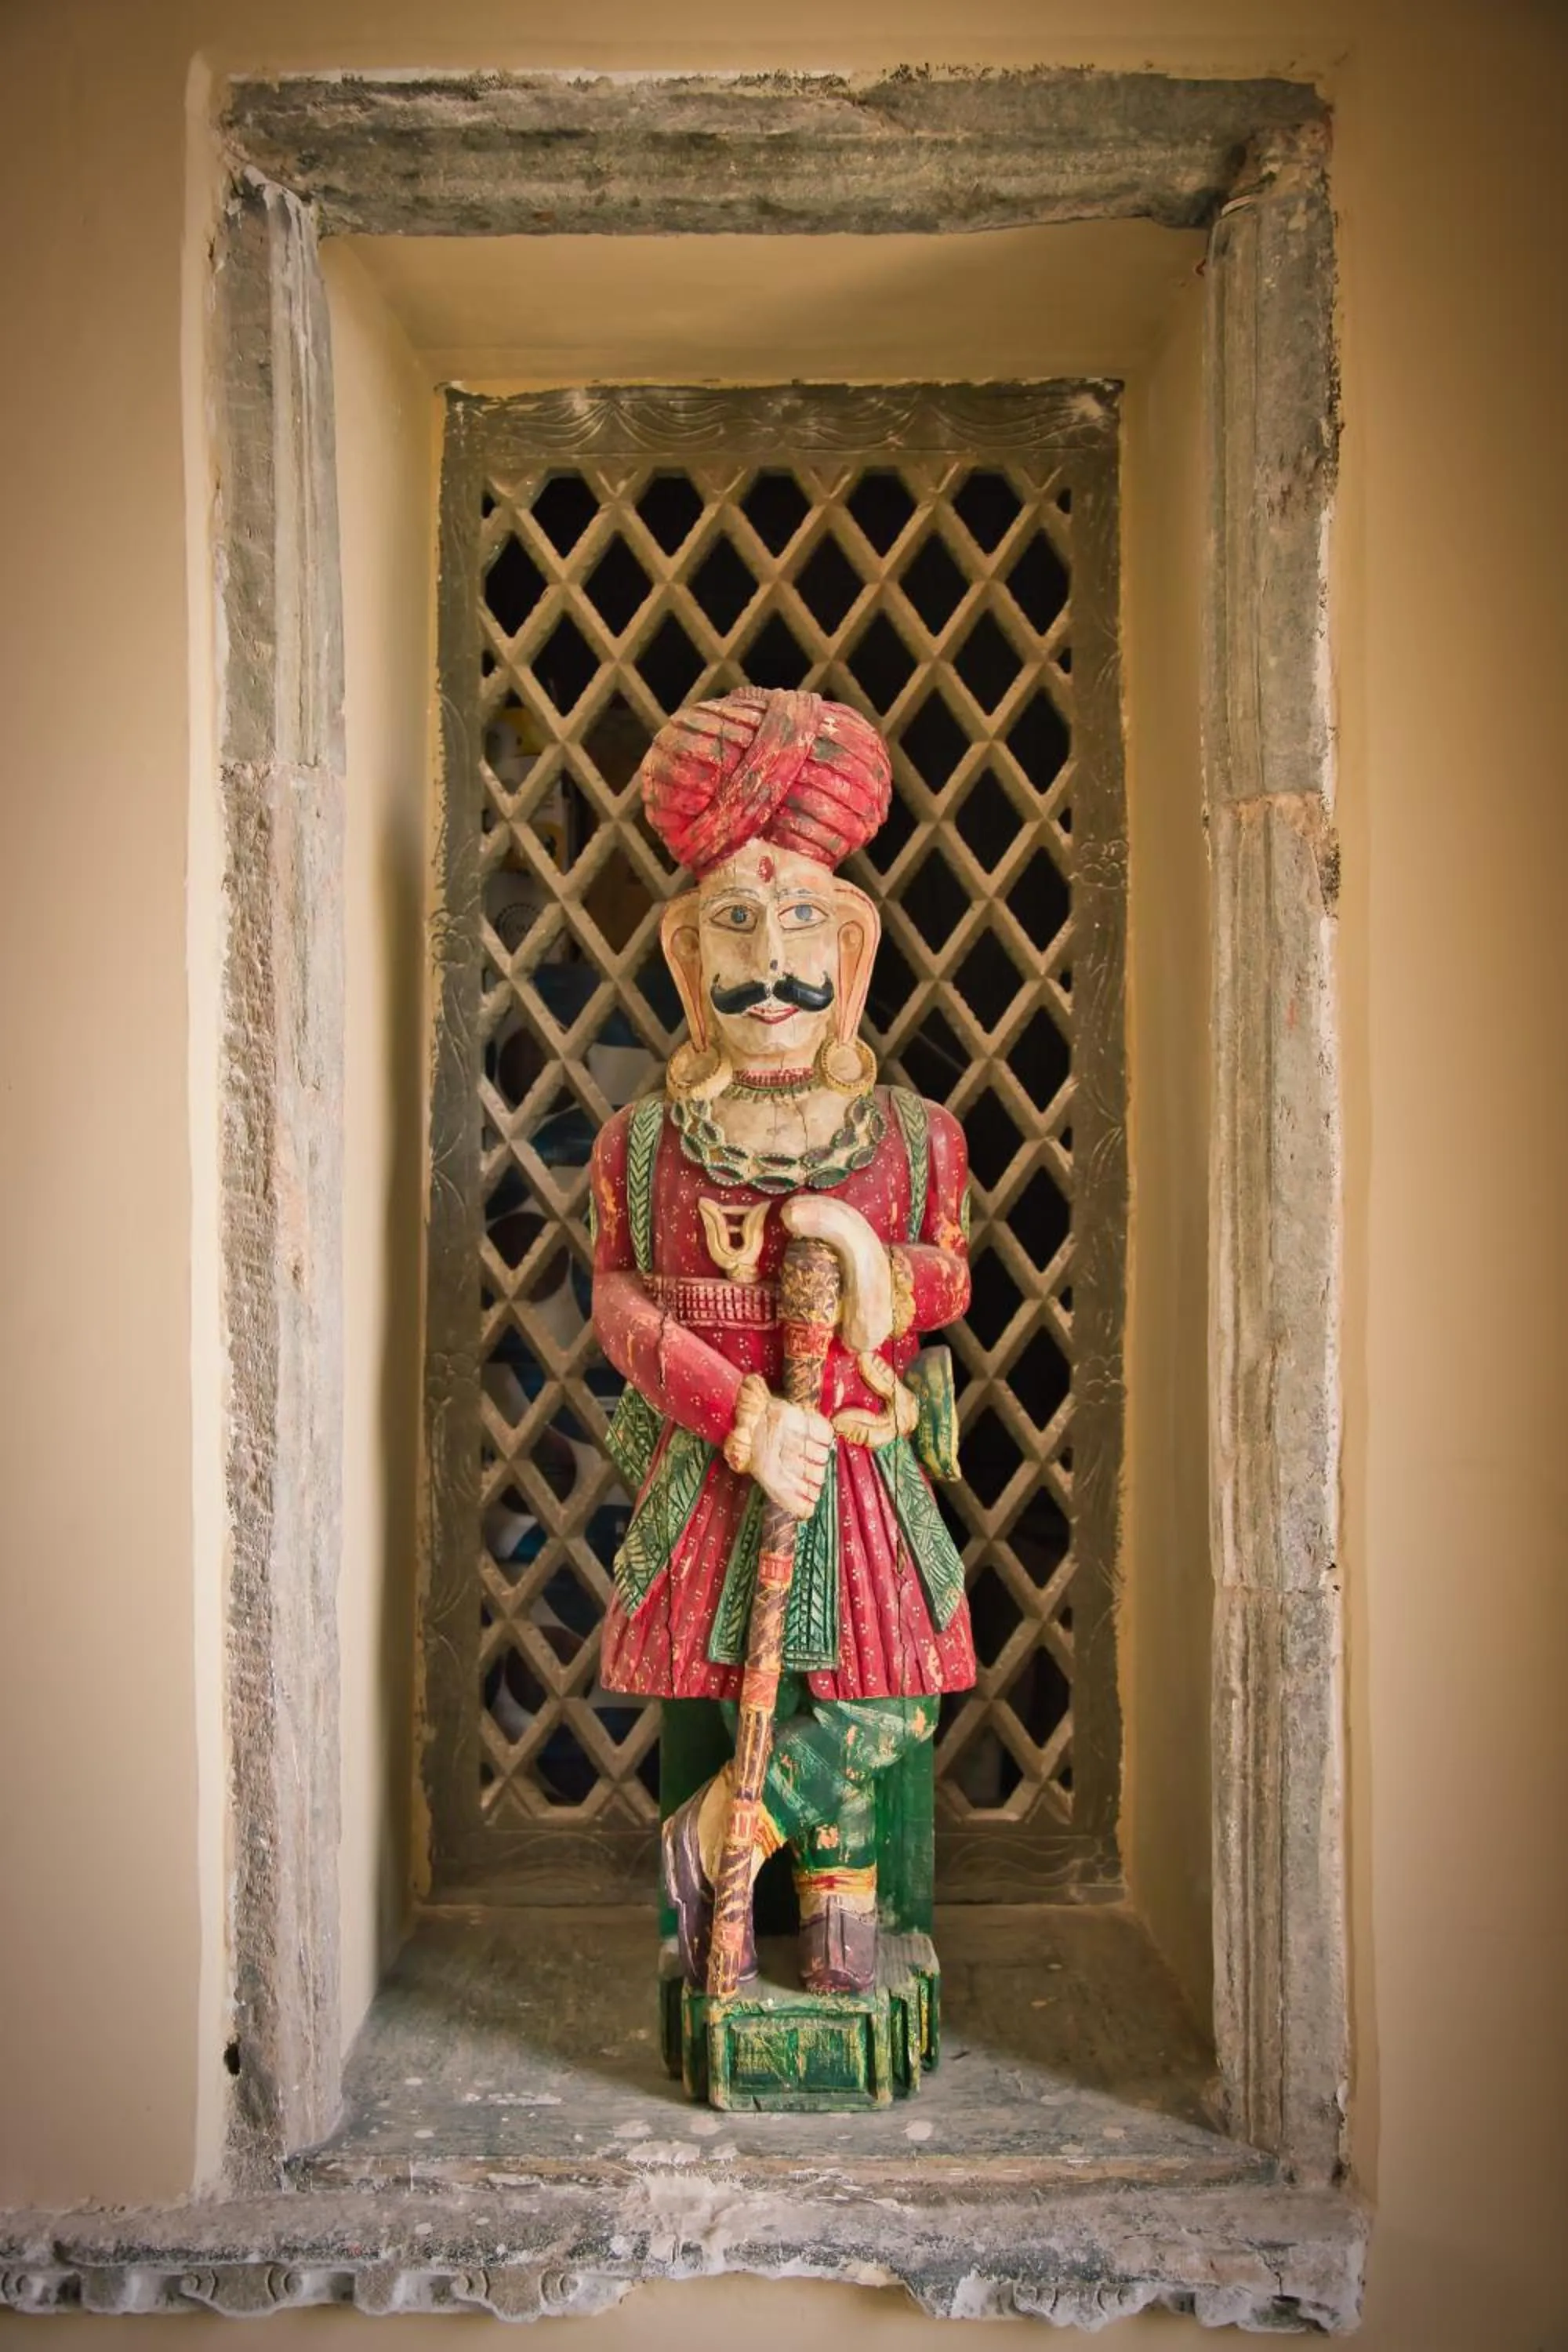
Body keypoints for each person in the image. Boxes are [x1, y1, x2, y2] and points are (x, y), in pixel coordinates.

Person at [589, 684, 975, 1994]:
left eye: (803, 919)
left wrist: (864, 1254)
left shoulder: (916, 1139)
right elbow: (619, 1305)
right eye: (737, 927)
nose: (773, 963)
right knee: (734, 1695)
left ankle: (723, 1847)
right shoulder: (643, 1146)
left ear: (852, 954)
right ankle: (788, 1940)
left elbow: (947, 1273)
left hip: (858, 1464)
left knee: (880, 1699)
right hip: (723, 1467)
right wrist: (743, 1417)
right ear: (690, 961)